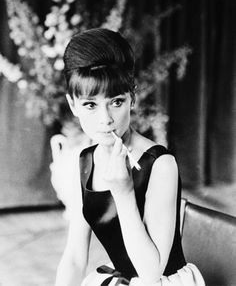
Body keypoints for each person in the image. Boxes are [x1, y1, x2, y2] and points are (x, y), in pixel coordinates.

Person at [55, 28, 205, 286]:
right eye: (90, 105)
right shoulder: (83, 162)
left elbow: (150, 274)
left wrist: (124, 194)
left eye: (116, 101)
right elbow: (75, 257)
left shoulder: (160, 164)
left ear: (132, 98)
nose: (106, 120)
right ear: (73, 106)